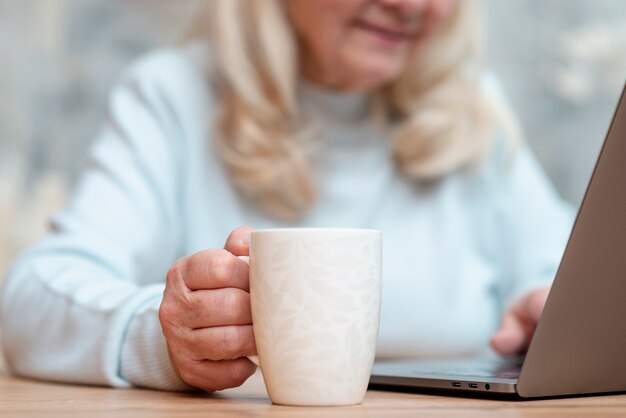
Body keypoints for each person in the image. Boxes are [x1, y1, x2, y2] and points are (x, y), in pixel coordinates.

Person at [0, 0, 573, 393]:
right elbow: (31, 300)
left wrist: (547, 309)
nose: (411, 4)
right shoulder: (173, 97)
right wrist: (163, 335)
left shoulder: (472, 112)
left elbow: (560, 277)